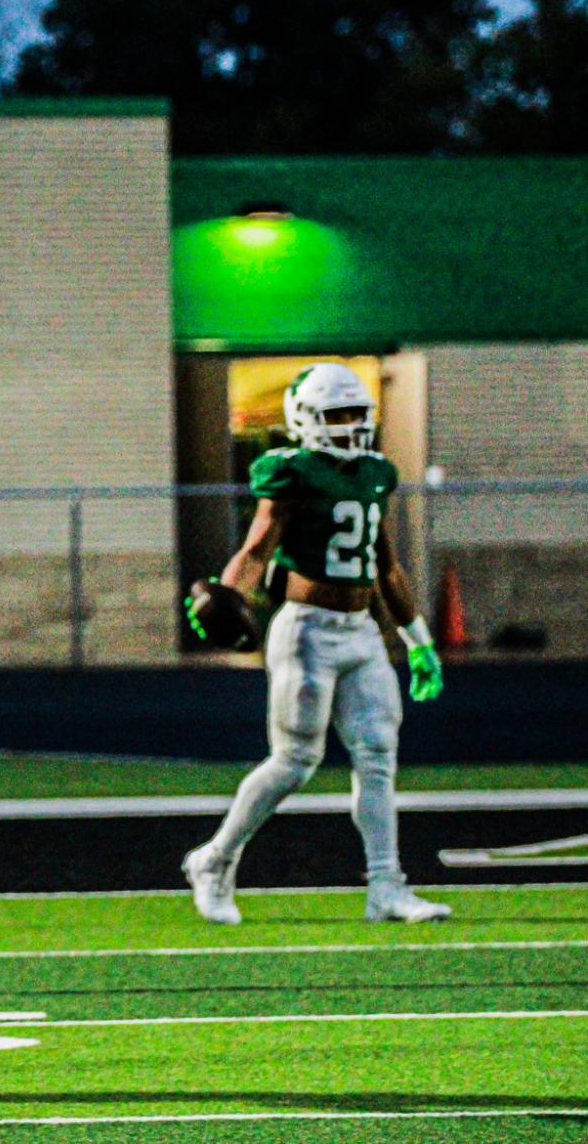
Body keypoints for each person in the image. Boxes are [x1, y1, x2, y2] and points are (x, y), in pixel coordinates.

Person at [182, 362, 448, 925]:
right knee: (295, 761)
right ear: (306, 421)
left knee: (378, 756)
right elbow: (257, 550)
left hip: (362, 634)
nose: (350, 424)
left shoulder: (375, 472)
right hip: (306, 631)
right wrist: (230, 594)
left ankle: (386, 888)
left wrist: (418, 638)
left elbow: (386, 563)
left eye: (357, 413)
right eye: (337, 415)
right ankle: (214, 859)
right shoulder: (292, 473)